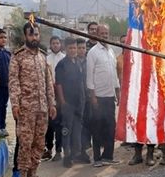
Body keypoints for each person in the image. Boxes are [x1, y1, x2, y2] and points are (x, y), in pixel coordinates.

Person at [8, 22, 57, 177]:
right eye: (31, 34)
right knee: (25, 143)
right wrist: (15, 104)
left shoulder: (43, 56)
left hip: (42, 108)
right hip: (26, 109)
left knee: (39, 143)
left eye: (36, 34)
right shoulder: (18, 57)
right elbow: (13, 82)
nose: (34, 37)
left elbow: (48, 84)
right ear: (25, 36)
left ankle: (33, 176)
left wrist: (52, 103)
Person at [86, 24, 120, 166]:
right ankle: (97, 158)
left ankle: (108, 156)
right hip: (98, 97)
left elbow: (114, 75)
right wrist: (93, 97)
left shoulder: (111, 51)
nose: (105, 35)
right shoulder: (93, 52)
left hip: (110, 96)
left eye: (106, 33)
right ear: (97, 35)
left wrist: (117, 92)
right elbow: (89, 77)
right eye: (102, 33)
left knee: (110, 127)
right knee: (97, 128)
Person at [55, 37, 87, 167]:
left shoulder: (78, 62)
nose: (73, 50)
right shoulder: (62, 64)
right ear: (65, 48)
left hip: (79, 102)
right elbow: (59, 84)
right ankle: (67, 156)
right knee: (66, 130)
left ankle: (75, 154)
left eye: (75, 48)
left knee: (77, 130)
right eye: (71, 48)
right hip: (67, 102)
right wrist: (62, 101)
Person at [44, 35, 64, 160]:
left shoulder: (64, 59)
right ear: (50, 45)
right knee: (49, 124)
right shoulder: (46, 59)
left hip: (61, 94)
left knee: (60, 124)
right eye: (53, 43)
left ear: (60, 44)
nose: (55, 45)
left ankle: (58, 150)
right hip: (49, 95)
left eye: (57, 43)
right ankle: (49, 148)